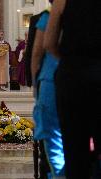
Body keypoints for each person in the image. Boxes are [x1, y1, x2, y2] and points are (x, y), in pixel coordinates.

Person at [44, 0, 101, 178]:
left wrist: (70, 60)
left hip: (72, 78)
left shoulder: (61, 1)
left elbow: (48, 43)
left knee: (74, 149)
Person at [31, 0, 65, 178]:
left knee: (54, 140)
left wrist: (36, 87)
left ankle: (59, 175)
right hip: (83, 77)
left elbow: (40, 51)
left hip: (52, 79)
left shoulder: (50, 14)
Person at [24, 11, 47, 87]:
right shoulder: (41, 17)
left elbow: (34, 51)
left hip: (46, 70)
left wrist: (32, 79)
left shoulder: (43, 17)